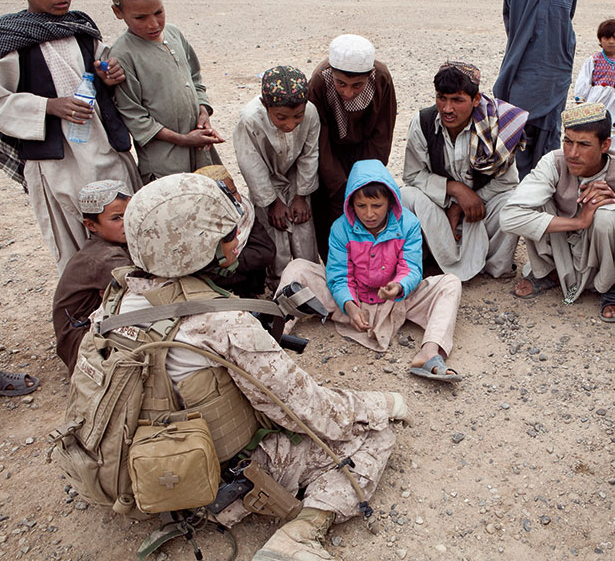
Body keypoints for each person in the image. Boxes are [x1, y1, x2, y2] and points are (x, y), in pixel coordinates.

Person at [104, 173, 407, 560]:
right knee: (374, 435)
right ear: (199, 247)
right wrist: (378, 405)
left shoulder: (114, 302)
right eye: (227, 235)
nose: (234, 242)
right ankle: (301, 533)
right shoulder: (223, 324)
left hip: (138, 473)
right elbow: (306, 411)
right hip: (211, 484)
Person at [0, 0, 140, 274]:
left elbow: (103, 65)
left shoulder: (81, 28)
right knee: (76, 231)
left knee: (125, 221)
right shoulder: (11, 39)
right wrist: (48, 106)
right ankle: (87, 302)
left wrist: (110, 72)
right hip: (58, 163)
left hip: (105, 149)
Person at [279, 159, 464, 382]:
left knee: (450, 283)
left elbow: (412, 267)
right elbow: (338, 276)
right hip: (351, 299)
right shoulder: (341, 228)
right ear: (350, 204)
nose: (369, 214)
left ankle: (429, 352)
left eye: (377, 206)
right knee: (297, 268)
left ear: (391, 201)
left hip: (395, 303)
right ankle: (275, 332)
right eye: (361, 206)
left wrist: (398, 286)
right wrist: (349, 305)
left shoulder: (409, 224)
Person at [500, 103, 615, 321]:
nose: (572, 154)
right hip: (561, 245)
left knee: (608, 215)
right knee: (532, 205)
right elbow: (509, 217)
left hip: (602, 251)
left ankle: (611, 285)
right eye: (568, 141)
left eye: (584, 144)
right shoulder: (553, 163)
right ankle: (550, 272)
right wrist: (579, 222)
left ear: (605, 145)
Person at [400, 61, 526, 281]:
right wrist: (455, 189)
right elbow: (413, 175)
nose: (448, 109)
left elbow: (508, 182)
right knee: (405, 197)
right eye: (442, 98)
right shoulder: (423, 122)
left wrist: (468, 202)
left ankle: (493, 266)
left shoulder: (497, 126)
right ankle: (427, 258)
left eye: (457, 100)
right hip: (439, 204)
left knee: (515, 202)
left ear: (476, 99)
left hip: (482, 207)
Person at [105, 0, 224, 183]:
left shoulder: (173, 33)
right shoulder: (122, 55)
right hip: (164, 161)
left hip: (199, 148)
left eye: (158, 12)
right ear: (118, 13)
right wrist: (183, 139)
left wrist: (203, 111)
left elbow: (195, 79)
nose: (153, 24)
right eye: (140, 18)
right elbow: (135, 117)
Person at [493, 0, 583, 179]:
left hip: (557, 61)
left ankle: (543, 186)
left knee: (550, 130)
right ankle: (515, 188)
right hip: (522, 60)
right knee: (517, 124)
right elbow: (509, 13)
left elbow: (569, 10)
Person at [307, 34, 396, 259]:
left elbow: (382, 133)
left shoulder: (381, 77)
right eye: (341, 84)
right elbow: (319, 136)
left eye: (357, 85)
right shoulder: (320, 80)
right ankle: (335, 263)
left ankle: (370, 261)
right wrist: (338, 185)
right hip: (329, 153)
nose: (348, 93)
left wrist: (364, 177)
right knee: (331, 206)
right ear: (332, 75)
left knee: (366, 201)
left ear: (369, 76)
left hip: (366, 151)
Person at [234, 65, 319, 282]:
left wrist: (301, 196)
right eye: (281, 118)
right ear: (265, 105)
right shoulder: (250, 119)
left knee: (303, 229)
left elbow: (309, 155)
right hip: (266, 181)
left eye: (297, 116)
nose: (290, 124)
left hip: (297, 177)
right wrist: (272, 203)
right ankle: (278, 285)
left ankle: (310, 281)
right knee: (275, 229)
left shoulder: (311, 113)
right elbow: (251, 164)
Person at [52, 179, 133, 371]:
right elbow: (150, 289)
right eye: (116, 218)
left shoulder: (114, 245)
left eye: (129, 213)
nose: (127, 222)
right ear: (91, 225)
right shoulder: (105, 258)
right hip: (82, 341)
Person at [194, 165, 275, 298]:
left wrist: (229, 261)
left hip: (240, 279)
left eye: (235, 191)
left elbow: (265, 251)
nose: (237, 199)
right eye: (228, 195)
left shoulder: (244, 210)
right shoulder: (198, 223)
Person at [574, 19, 615, 152]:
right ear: (600, 39)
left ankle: (613, 154)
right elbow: (585, 79)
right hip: (597, 99)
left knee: (613, 127)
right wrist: (581, 99)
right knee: (594, 126)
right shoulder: (593, 59)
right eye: (606, 38)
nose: (611, 42)